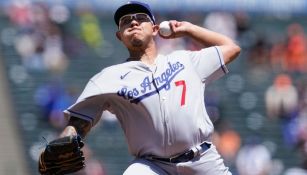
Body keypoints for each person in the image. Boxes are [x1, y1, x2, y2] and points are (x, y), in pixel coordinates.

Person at [38, 1, 241, 174]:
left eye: (141, 18)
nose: (133, 22)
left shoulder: (185, 60)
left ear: (154, 28)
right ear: (120, 36)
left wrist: (188, 29)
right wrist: (69, 134)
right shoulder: (109, 78)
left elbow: (232, 48)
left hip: (201, 159)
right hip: (152, 165)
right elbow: (80, 120)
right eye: (125, 21)